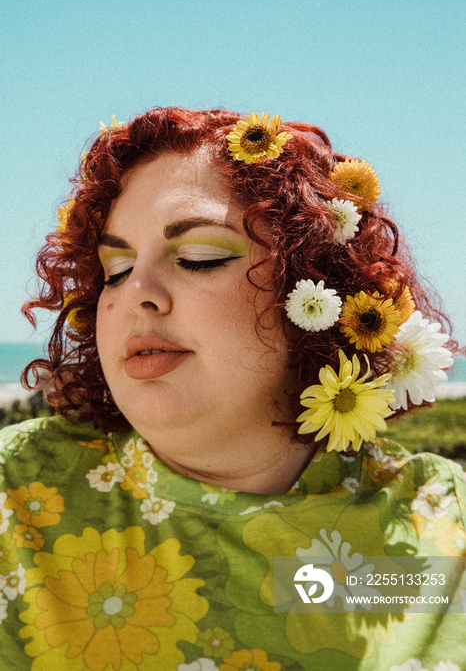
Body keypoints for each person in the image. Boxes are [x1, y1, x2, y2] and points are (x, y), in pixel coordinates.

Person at [0, 107, 464, 671]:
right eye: (115, 269)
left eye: (199, 258)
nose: (136, 293)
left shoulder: (447, 529)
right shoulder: (13, 498)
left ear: (318, 292)